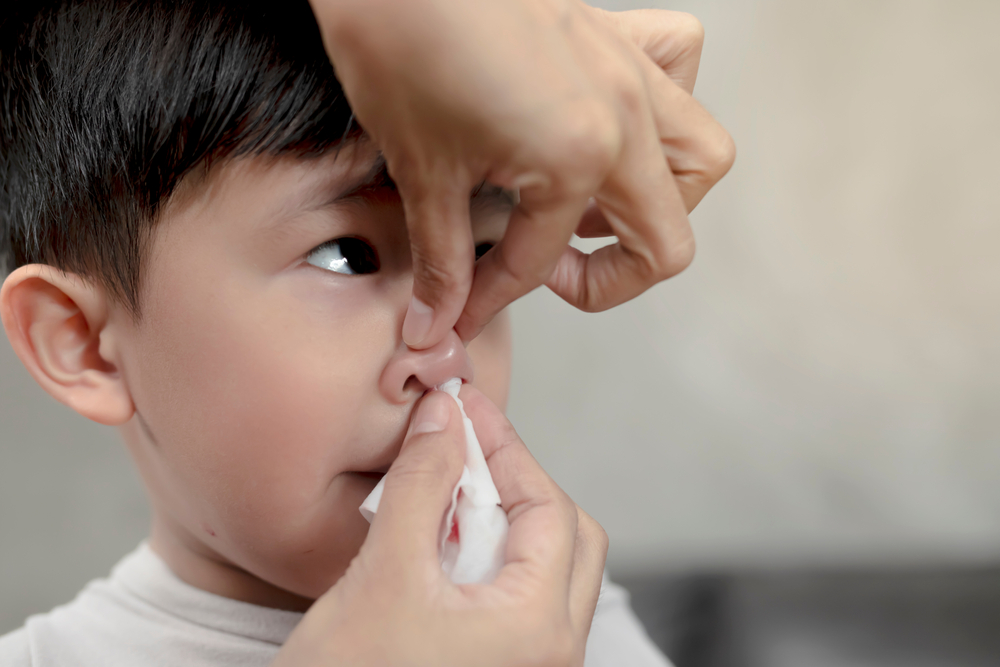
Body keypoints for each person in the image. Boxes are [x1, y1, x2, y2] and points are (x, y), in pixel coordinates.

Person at [0, 1, 731, 665]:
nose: (448, 356)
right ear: (85, 345)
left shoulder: (562, 616)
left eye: (479, 253)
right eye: (346, 256)